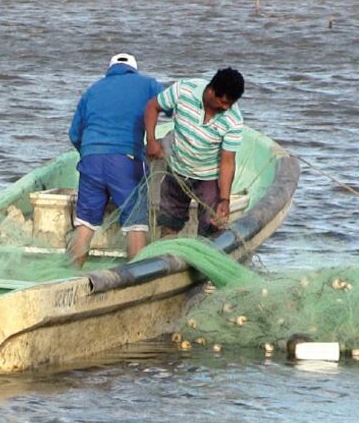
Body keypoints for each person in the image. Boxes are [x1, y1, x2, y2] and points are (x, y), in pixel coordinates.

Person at [67, 53, 164, 267]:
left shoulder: (92, 90)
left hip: (91, 159)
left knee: (85, 225)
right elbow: (171, 105)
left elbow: (74, 134)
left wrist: (91, 154)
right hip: (126, 161)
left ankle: (71, 274)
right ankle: (138, 277)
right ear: (134, 69)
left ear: (110, 70)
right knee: (135, 224)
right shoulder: (149, 84)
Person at [143, 67, 245, 238]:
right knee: (169, 223)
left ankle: (202, 250)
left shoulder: (234, 120)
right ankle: (167, 248)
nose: (226, 107)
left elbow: (227, 161)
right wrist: (151, 141)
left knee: (211, 228)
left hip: (208, 177)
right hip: (177, 169)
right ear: (211, 91)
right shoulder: (184, 90)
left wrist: (224, 199)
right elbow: (152, 106)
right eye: (223, 102)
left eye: (230, 103)